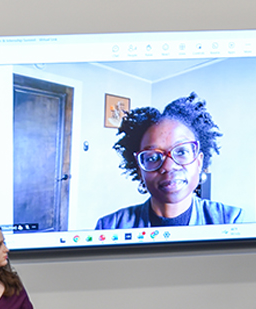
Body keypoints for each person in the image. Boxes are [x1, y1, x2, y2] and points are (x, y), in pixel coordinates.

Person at [96, 93, 241, 229]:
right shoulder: (110, 227)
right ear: (140, 170)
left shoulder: (232, 221)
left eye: (182, 152)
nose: (169, 166)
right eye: (152, 157)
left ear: (199, 162)